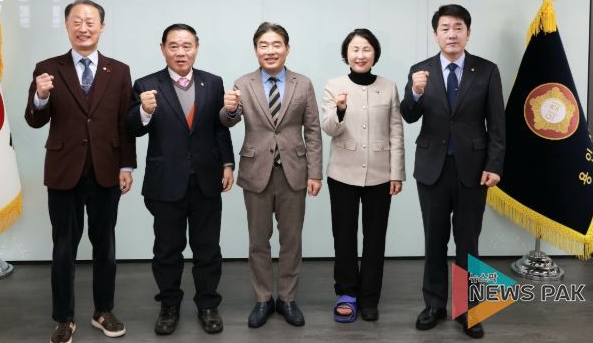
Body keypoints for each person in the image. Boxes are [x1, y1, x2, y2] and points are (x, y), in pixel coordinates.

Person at [25, 0, 137, 343]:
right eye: (77, 21)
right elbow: (34, 119)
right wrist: (40, 96)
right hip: (64, 170)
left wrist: (126, 165)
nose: (83, 28)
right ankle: (64, 318)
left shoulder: (119, 71)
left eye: (90, 22)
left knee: (105, 247)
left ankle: (103, 311)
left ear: (101, 26)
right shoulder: (48, 68)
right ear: (67, 26)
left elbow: (125, 124)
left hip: (106, 170)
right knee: (63, 248)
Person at [400, 4, 505, 339]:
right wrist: (416, 92)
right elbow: (408, 115)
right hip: (432, 168)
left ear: (468, 33)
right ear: (436, 35)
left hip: (473, 170)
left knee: (467, 242)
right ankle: (434, 305)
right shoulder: (420, 71)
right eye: (445, 28)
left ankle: (468, 309)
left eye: (458, 27)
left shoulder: (486, 70)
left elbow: (497, 124)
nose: (452, 34)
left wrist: (494, 165)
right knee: (434, 240)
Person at [126, 23, 234, 336]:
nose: (180, 52)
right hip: (165, 181)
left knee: (207, 248)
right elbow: (132, 128)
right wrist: (144, 111)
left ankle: (208, 305)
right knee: (167, 249)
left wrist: (227, 163)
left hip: (206, 178)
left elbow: (219, 128)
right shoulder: (146, 84)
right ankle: (169, 305)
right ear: (163, 49)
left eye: (187, 46)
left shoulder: (212, 83)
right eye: (173, 46)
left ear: (196, 48)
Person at [220, 22, 323, 328]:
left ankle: (287, 299)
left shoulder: (303, 84)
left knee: (291, 240)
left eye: (276, 44)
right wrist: (229, 109)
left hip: (294, 172)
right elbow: (228, 121)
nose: (270, 50)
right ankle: (263, 298)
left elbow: (313, 130)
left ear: (287, 48)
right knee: (258, 241)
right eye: (263, 45)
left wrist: (315, 172)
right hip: (256, 172)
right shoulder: (243, 83)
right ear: (256, 50)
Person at [321, 28, 405, 323]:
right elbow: (328, 128)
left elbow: (396, 131)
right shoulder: (334, 86)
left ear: (375, 54)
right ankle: (346, 292)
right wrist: (340, 110)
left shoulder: (389, 87)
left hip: (381, 174)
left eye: (366, 49)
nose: (360, 55)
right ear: (346, 54)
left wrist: (397, 172)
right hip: (342, 173)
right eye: (355, 49)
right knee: (344, 236)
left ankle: (369, 297)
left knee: (375, 238)